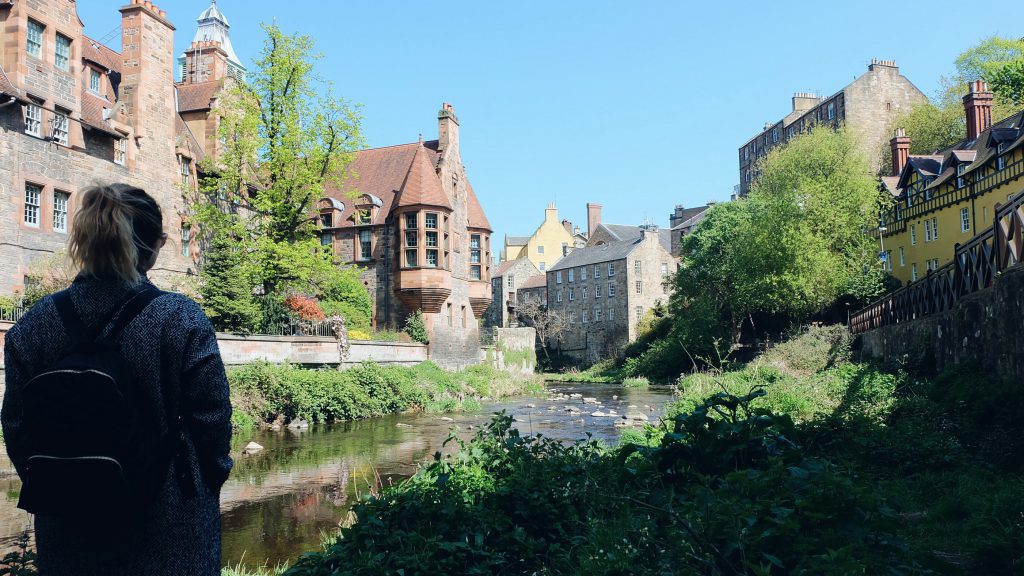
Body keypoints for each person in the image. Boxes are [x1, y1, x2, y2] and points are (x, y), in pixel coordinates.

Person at [1, 183, 233, 575]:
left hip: (68, 519)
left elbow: (17, 427)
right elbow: (212, 420)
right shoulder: (180, 317)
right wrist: (207, 481)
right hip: (168, 515)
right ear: (153, 246)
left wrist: (65, 484)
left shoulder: (32, 324)